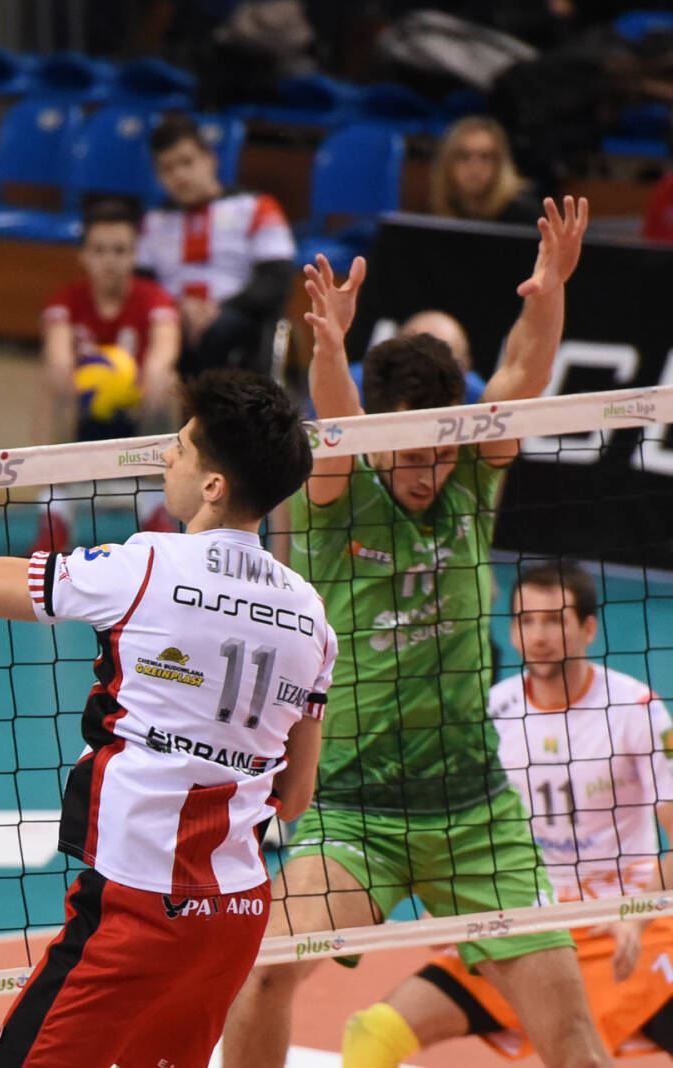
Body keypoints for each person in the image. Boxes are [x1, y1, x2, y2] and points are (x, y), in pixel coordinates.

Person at [0, 367, 336, 1068]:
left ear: (213, 485)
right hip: (235, 913)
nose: (166, 456)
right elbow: (295, 796)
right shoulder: (312, 617)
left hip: (136, 908)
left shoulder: (145, 566)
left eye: (181, 447)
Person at [220, 195, 605, 1068]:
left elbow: (521, 376)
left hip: (477, 813)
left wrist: (549, 292)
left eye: (440, 448)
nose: (428, 470)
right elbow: (337, 419)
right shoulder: (338, 496)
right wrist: (330, 348)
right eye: (410, 450)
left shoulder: (471, 479)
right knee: (266, 974)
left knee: (574, 1039)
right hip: (355, 812)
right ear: (381, 432)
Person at [346, 559, 673, 1066]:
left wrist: (636, 917)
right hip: (523, 918)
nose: (537, 636)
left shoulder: (636, 709)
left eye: (553, 620)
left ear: (588, 628)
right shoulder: (490, 712)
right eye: (524, 620)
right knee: (373, 1033)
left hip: (623, 921)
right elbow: (452, 830)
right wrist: (445, 900)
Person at [32, 194, 181, 554]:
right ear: (83, 255)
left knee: (170, 382)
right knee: (50, 381)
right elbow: (57, 353)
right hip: (82, 413)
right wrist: (70, 378)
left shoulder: (154, 298)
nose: (110, 261)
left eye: (119, 251)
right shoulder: (66, 301)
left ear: (134, 255)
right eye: (99, 251)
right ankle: (55, 513)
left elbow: (165, 347)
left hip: (138, 410)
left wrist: (152, 375)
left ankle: (156, 506)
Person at [137, 112, 296, 379]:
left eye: (186, 162)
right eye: (167, 169)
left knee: (219, 331)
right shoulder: (153, 222)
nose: (179, 175)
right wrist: (178, 307)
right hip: (170, 319)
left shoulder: (257, 207)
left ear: (210, 159)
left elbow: (275, 281)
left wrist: (221, 308)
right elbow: (142, 285)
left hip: (236, 318)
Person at [350, 310, 486, 407]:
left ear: (465, 368)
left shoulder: (481, 400)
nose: (426, 378)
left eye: (441, 371)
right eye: (412, 363)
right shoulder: (353, 385)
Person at [429, 116, 543, 226]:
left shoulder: (526, 217)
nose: (475, 167)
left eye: (485, 157)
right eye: (464, 156)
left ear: (500, 164)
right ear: (447, 163)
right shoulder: (433, 213)